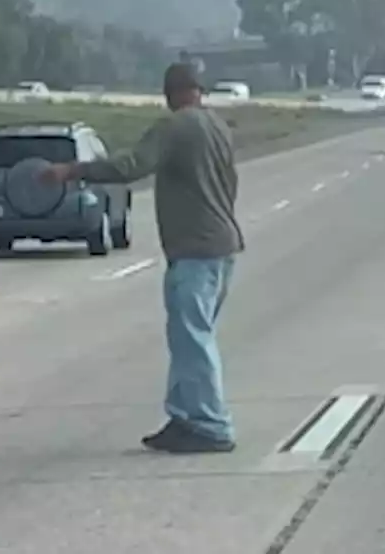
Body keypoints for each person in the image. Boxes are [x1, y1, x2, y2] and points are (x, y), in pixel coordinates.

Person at [37, 63, 244, 453]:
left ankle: (211, 425)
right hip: (222, 245)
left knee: (194, 340)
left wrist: (72, 170)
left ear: (170, 92)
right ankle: (184, 416)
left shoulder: (176, 127)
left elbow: (130, 165)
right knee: (187, 339)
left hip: (195, 249)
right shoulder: (219, 127)